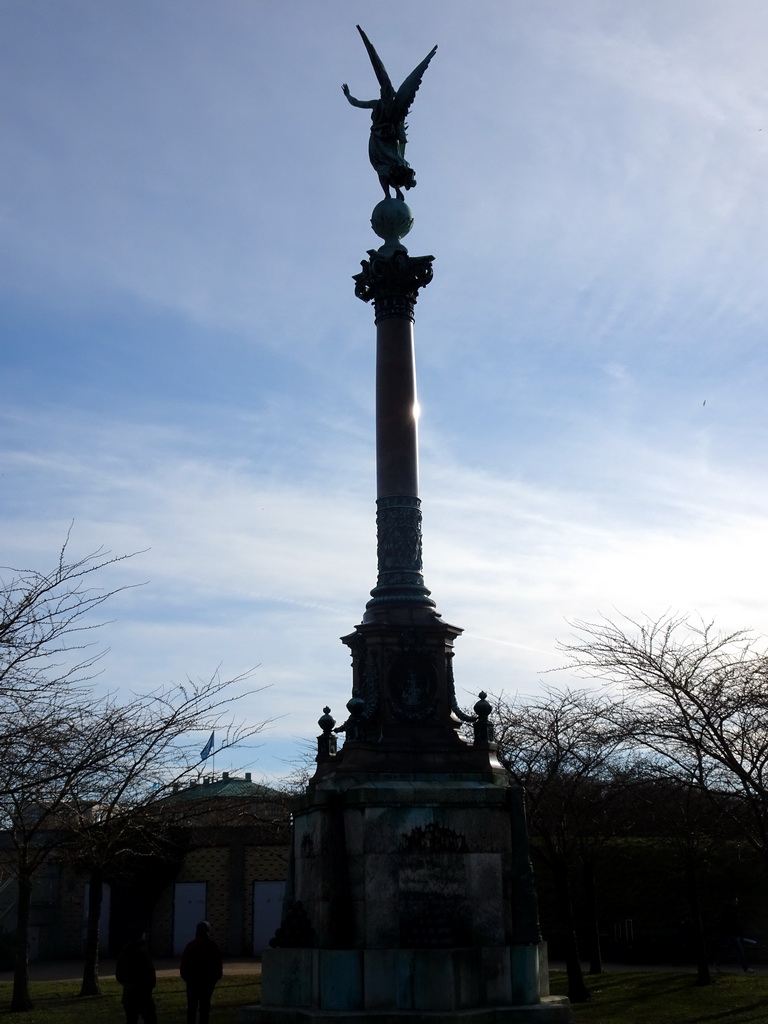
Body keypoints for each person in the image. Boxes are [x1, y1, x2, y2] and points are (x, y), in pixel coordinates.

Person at [180, 920, 223, 1024]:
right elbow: (218, 964)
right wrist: (214, 979)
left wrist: (187, 978)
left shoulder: (191, 945)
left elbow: (184, 964)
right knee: (205, 1007)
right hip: (207, 981)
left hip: (192, 980)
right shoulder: (212, 946)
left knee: (191, 1007)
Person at [115, 926, 157, 1024]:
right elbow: (150, 973)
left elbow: (119, 974)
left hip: (128, 994)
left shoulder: (124, 951)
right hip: (143, 995)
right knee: (151, 1020)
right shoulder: (143, 952)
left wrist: (127, 983)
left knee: (131, 1020)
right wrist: (149, 987)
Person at [717, 896, 755, 973]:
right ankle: (746, 968)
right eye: (735, 901)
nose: (736, 903)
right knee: (740, 951)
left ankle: (717, 963)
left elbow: (736, 923)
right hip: (731, 933)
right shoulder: (728, 910)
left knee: (728, 950)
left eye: (737, 901)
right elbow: (731, 923)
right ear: (730, 901)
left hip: (733, 933)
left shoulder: (732, 910)